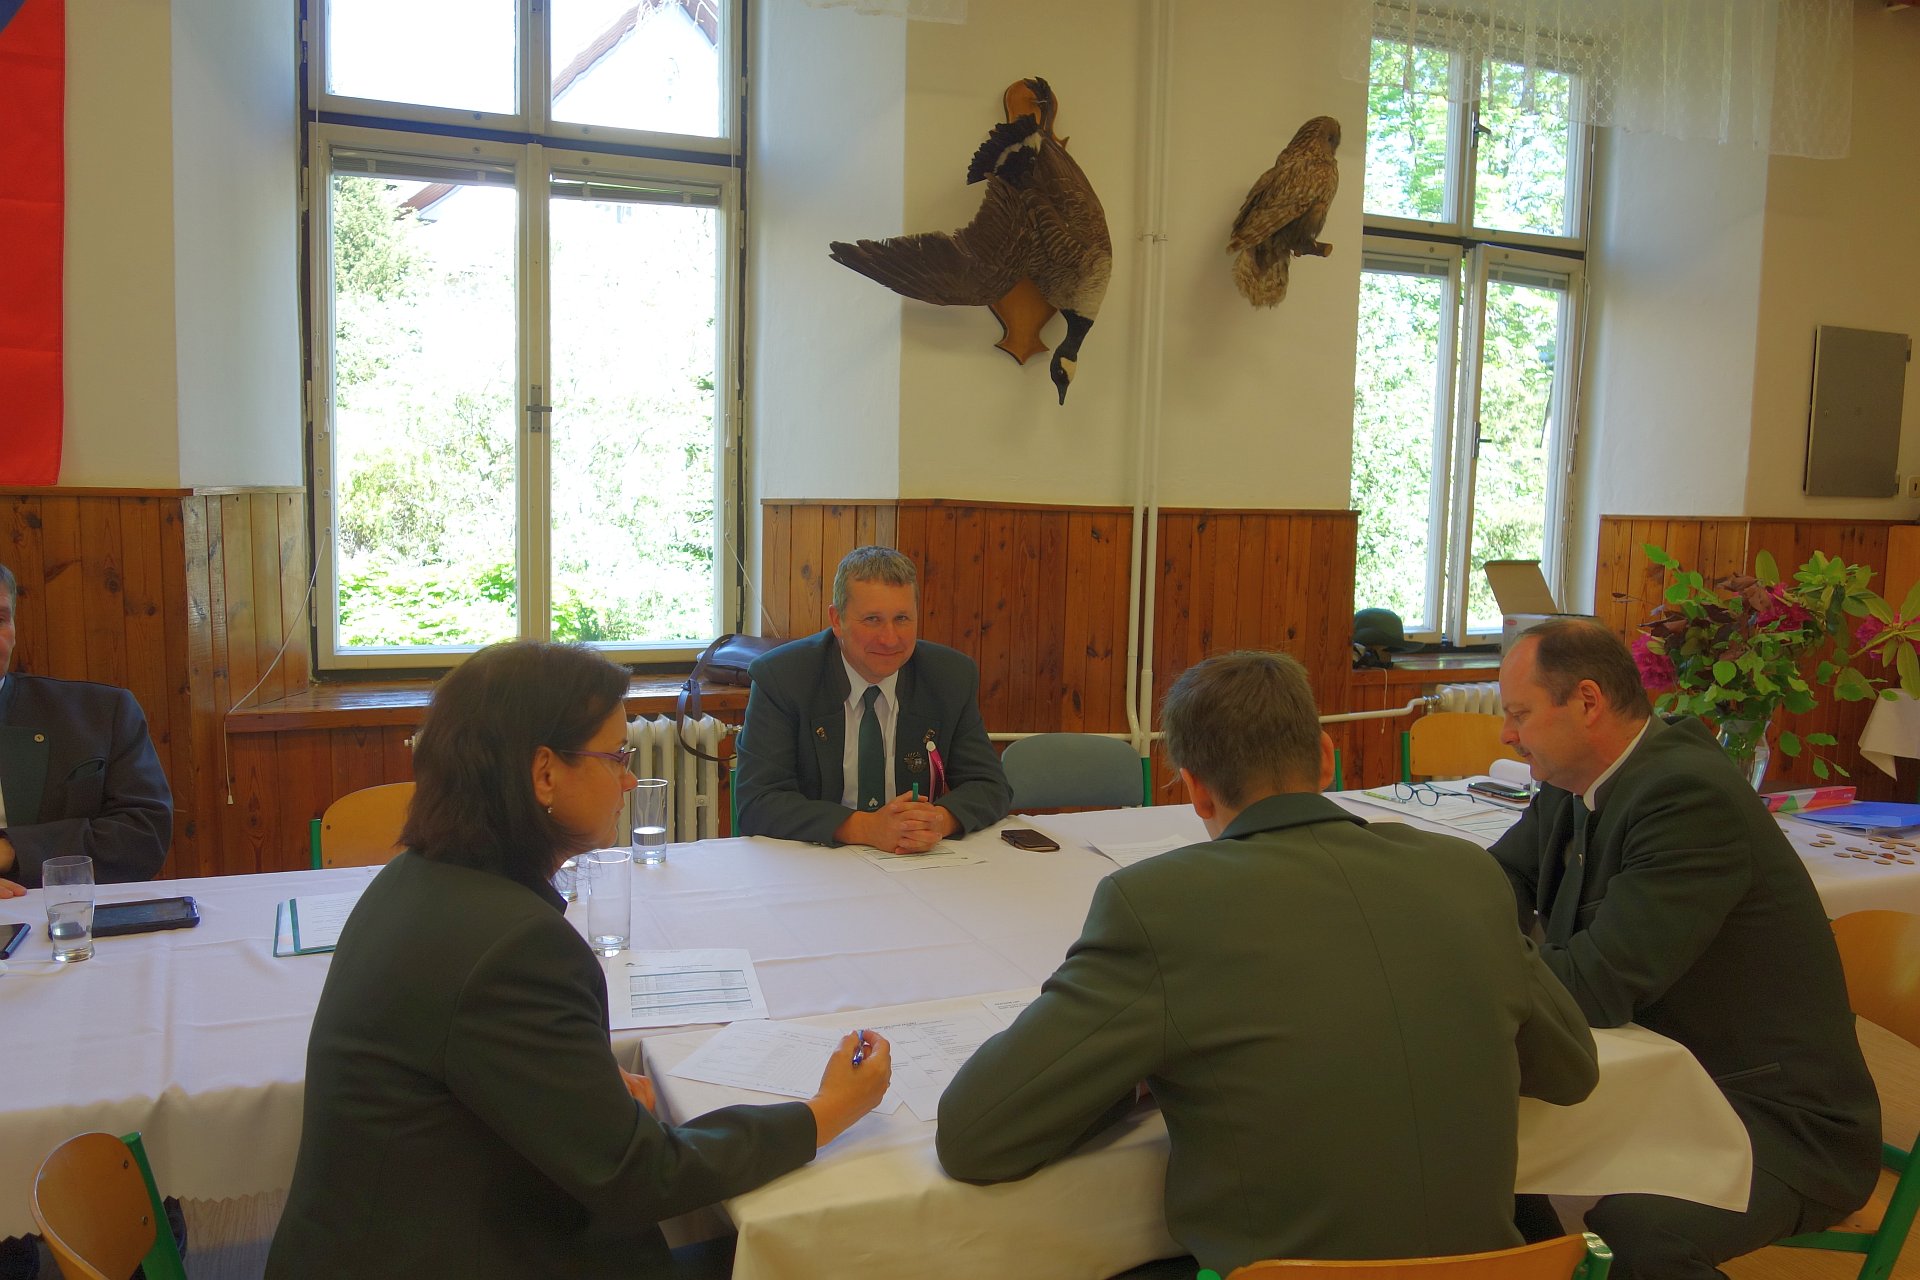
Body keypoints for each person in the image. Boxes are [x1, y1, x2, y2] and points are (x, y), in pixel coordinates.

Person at [937, 650, 1599, 1276]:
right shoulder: (1465, 873)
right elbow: (1570, 1070)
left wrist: (1131, 1075)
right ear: (1326, 758)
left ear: (1195, 791)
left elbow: (976, 1136)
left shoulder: (1161, 905)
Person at [266, 641, 893, 1279]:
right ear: (544, 774)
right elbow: (643, 1176)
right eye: (616, 756)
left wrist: (576, 1082)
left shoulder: (417, 880)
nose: (629, 779)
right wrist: (825, 1112)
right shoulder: (515, 948)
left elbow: (466, 1067)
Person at [1492, 619, 1880, 1280]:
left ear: (1587, 702)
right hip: (1665, 1080)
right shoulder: (1577, 780)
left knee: (1642, 1230)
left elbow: (1594, 985)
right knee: (1484, 1143)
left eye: (1519, 714)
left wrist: (1466, 970)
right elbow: (1498, 879)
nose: (1507, 734)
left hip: (1776, 1118)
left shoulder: (1686, 796)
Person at [734, 546, 1011, 854]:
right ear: (837, 620)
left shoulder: (949, 677)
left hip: (914, 861)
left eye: (902, 618)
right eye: (872, 619)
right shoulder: (783, 678)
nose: (890, 639)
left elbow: (989, 786)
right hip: (815, 861)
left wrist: (936, 821)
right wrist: (866, 828)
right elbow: (758, 802)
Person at [0, 562, 171, 897]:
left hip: (61, 913)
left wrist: (10, 850)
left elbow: (143, 836)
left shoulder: (101, 713)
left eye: (0, 619)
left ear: (15, 629)